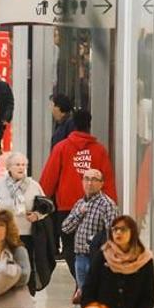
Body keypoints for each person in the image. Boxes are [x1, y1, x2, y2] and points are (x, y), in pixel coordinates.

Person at [40, 109, 117, 274]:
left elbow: (49, 177)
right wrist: (111, 205)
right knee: (93, 247)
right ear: (90, 125)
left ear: (72, 125)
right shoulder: (99, 150)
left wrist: (42, 199)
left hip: (67, 206)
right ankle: (86, 282)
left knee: (69, 247)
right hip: (95, 207)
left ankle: (81, 281)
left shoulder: (61, 148)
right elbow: (108, 179)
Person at [81, 216, 154, 308]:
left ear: (133, 232)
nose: (118, 233)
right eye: (115, 229)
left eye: (123, 229)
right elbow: (88, 292)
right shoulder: (103, 256)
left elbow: (149, 296)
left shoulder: (144, 260)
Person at [0, 152, 53, 294]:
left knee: (27, 268)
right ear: (9, 167)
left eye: (23, 165)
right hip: (6, 236)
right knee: (7, 268)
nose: (21, 168)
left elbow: (47, 207)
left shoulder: (34, 185)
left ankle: (27, 296)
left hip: (28, 236)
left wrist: (37, 215)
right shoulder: (0, 186)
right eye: (17, 165)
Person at [62, 168, 119, 299]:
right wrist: (79, 213)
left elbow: (113, 234)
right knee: (85, 294)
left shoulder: (107, 204)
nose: (89, 183)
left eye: (94, 179)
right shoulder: (80, 204)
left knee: (99, 294)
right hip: (80, 257)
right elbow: (65, 228)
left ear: (101, 183)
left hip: (97, 258)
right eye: (86, 179)